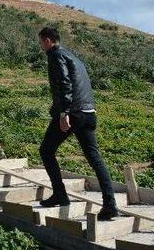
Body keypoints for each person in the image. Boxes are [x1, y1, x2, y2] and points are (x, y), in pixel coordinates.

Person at [37, 27, 118, 220]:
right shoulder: (73, 55)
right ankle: (110, 204)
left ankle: (60, 194)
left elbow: (65, 83)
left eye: (41, 42)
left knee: (46, 151)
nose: (40, 46)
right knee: (95, 158)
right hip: (89, 112)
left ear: (48, 41)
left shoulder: (55, 55)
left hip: (73, 112)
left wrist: (64, 112)